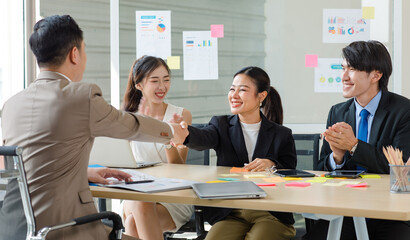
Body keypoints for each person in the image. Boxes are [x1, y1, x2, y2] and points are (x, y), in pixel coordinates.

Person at [0, 15, 188, 240]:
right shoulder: (80, 96)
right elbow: (128, 125)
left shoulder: (12, 104)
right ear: (75, 54)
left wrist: (85, 173)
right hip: (64, 229)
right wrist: (171, 131)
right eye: (84, 50)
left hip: (13, 230)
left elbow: (28, 165)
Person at [304, 40, 410, 240]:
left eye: (352, 69)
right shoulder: (338, 111)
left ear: (376, 75)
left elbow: (400, 170)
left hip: (388, 214)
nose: (344, 76)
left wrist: (353, 145)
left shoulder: (403, 111)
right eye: (343, 68)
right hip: (344, 211)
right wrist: (337, 155)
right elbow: (320, 169)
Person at [183, 66, 297, 240]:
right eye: (232, 89)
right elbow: (204, 137)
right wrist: (184, 133)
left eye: (242, 90)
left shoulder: (282, 134)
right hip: (232, 211)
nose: (234, 95)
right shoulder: (220, 124)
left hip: (270, 212)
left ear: (261, 96)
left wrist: (271, 164)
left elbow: (291, 171)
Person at [121, 56, 194, 240]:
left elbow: (179, 168)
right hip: (136, 190)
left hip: (172, 194)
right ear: (139, 85)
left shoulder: (181, 114)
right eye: (154, 81)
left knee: (131, 223)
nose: (162, 86)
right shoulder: (128, 118)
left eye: (166, 80)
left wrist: (166, 136)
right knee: (141, 202)